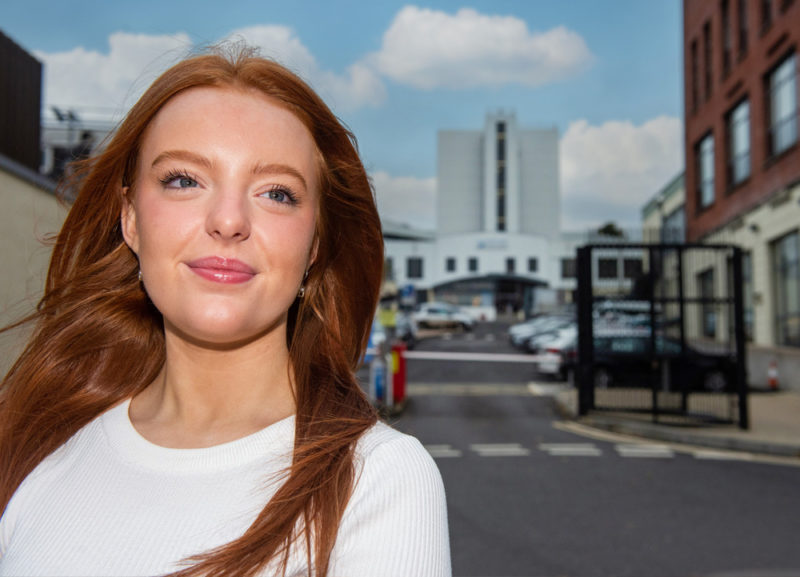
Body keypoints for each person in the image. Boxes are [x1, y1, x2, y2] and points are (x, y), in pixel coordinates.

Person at [0, 45, 450, 577]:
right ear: (131, 220)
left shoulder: (377, 480)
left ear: (313, 246)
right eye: (184, 180)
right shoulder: (35, 443)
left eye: (276, 193)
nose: (229, 220)